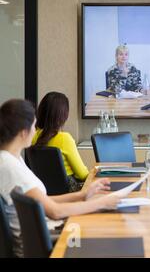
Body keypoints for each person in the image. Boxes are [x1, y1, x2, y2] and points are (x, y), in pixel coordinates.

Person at [0, 99, 121, 257]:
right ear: (23, 132)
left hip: (43, 236)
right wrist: (101, 203)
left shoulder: (12, 159)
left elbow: (41, 202)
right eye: (33, 126)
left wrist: (82, 195)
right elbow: (55, 212)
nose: (35, 131)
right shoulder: (10, 167)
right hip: (42, 244)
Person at [32, 92, 89, 192]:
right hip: (70, 191)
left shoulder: (32, 136)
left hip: (43, 191)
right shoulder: (64, 138)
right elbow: (83, 174)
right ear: (64, 115)